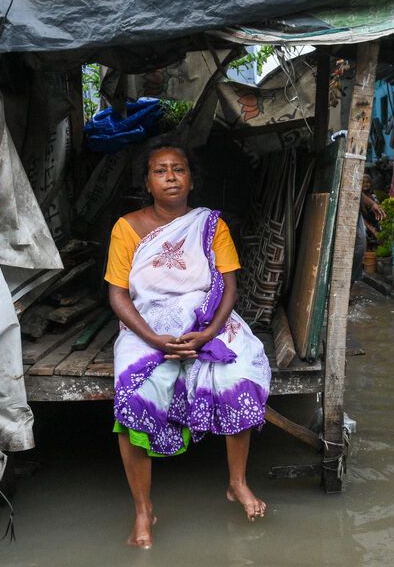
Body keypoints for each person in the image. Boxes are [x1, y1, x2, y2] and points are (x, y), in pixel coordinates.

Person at [104, 142, 271, 548]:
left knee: (240, 376)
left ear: (192, 178)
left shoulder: (212, 225)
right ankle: (144, 510)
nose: (171, 177)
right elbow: (118, 295)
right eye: (160, 171)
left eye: (178, 169)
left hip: (208, 320)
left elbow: (230, 286)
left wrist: (211, 332)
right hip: (147, 327)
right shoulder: (126, 228)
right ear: (147, 181)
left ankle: (236, 483)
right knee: (132, 401)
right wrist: (153, 338)